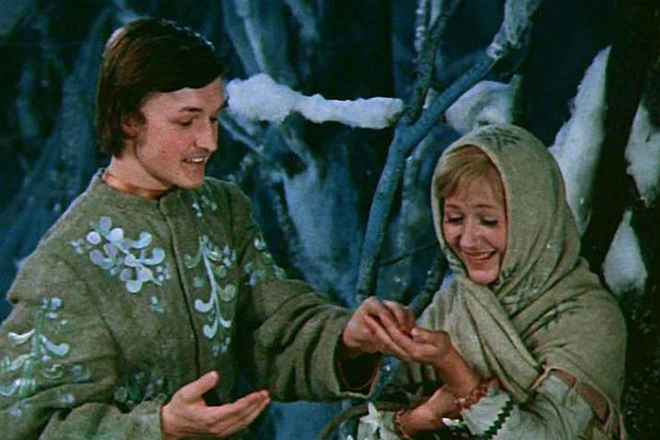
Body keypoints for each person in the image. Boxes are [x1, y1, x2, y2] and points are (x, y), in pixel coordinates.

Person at [0, 18, 416, 440]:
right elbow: (23, 425)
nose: (209, 141)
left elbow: (270, 330)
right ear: (128, 120)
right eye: (187, 122)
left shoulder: (221, 209)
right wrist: (159, 427)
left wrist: (346, 339)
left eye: (214, 119)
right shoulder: (66, 263)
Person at [359, 124, 626, 440]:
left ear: (532, 220)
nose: (468, 241)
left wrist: (454, 369)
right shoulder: (453, 305)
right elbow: (367, 428)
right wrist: (420, 419)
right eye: (455, 219)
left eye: (488, 221)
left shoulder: (591, 319)